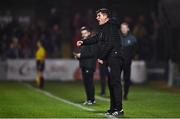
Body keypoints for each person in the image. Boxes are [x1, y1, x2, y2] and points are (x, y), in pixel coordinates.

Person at [77, 8, 124, 116]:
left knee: (115, 83)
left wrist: (102, 57)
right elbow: (96, 38)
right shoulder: (104, 28)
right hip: (111, 58)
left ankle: (119, 109)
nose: (97, 18)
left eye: (99, 16)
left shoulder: (111, 26)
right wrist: (83, 42)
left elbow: (110, 44)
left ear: (105, 16)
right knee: (111, 84)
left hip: (115, 58)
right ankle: (113, 108)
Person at [73, 26, 97, 105]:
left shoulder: (92, 41)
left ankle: (92, 99)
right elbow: (85, 53)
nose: (83, 35)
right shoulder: (83, 41)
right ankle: (89, 99)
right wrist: (78, 56)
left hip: (89, 65)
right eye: (82, 33)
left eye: (85, 33)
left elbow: (92, 53)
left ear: (89, 33)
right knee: (86, 83)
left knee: (89, 83)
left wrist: (81, 55)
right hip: (84, 64)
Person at [120, 22, 137, 100]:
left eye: (124, 27)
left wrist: (133, 57)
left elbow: (135, 50)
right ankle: (117, 94)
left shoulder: (132, 39)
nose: (123, 29)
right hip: (118, 62)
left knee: (126, 79)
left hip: (127, 62)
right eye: (122, 28)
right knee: (116, 78)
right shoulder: (118, 38)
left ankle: (125, 94)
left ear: (128, 29)